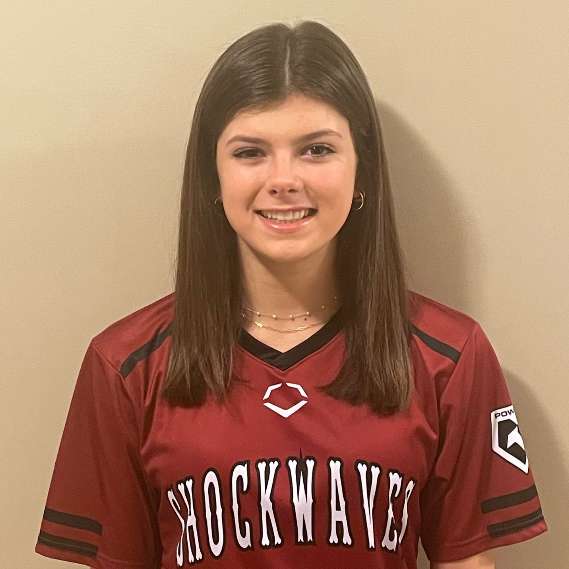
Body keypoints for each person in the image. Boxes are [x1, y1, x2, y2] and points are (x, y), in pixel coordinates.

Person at [35, 20, 547, 569]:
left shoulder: (450, 357)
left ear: (362, 168)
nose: (283, 179)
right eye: (250, 152)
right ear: (212, 176)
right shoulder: (125, 366)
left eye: (316, 149)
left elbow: (466, 562)